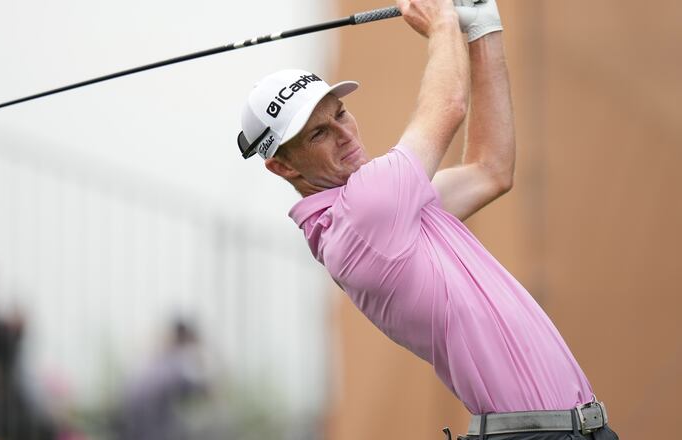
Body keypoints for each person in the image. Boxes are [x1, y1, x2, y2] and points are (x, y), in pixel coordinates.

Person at [235, 1, 618, 439]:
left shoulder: (384, 213)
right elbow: (449, 105)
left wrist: (483, 28)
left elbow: (491, 169)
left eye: (340, 113)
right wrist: (441, 24)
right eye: (319, 134)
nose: (344, 134)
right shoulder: (365, 212)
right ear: (284, 167)